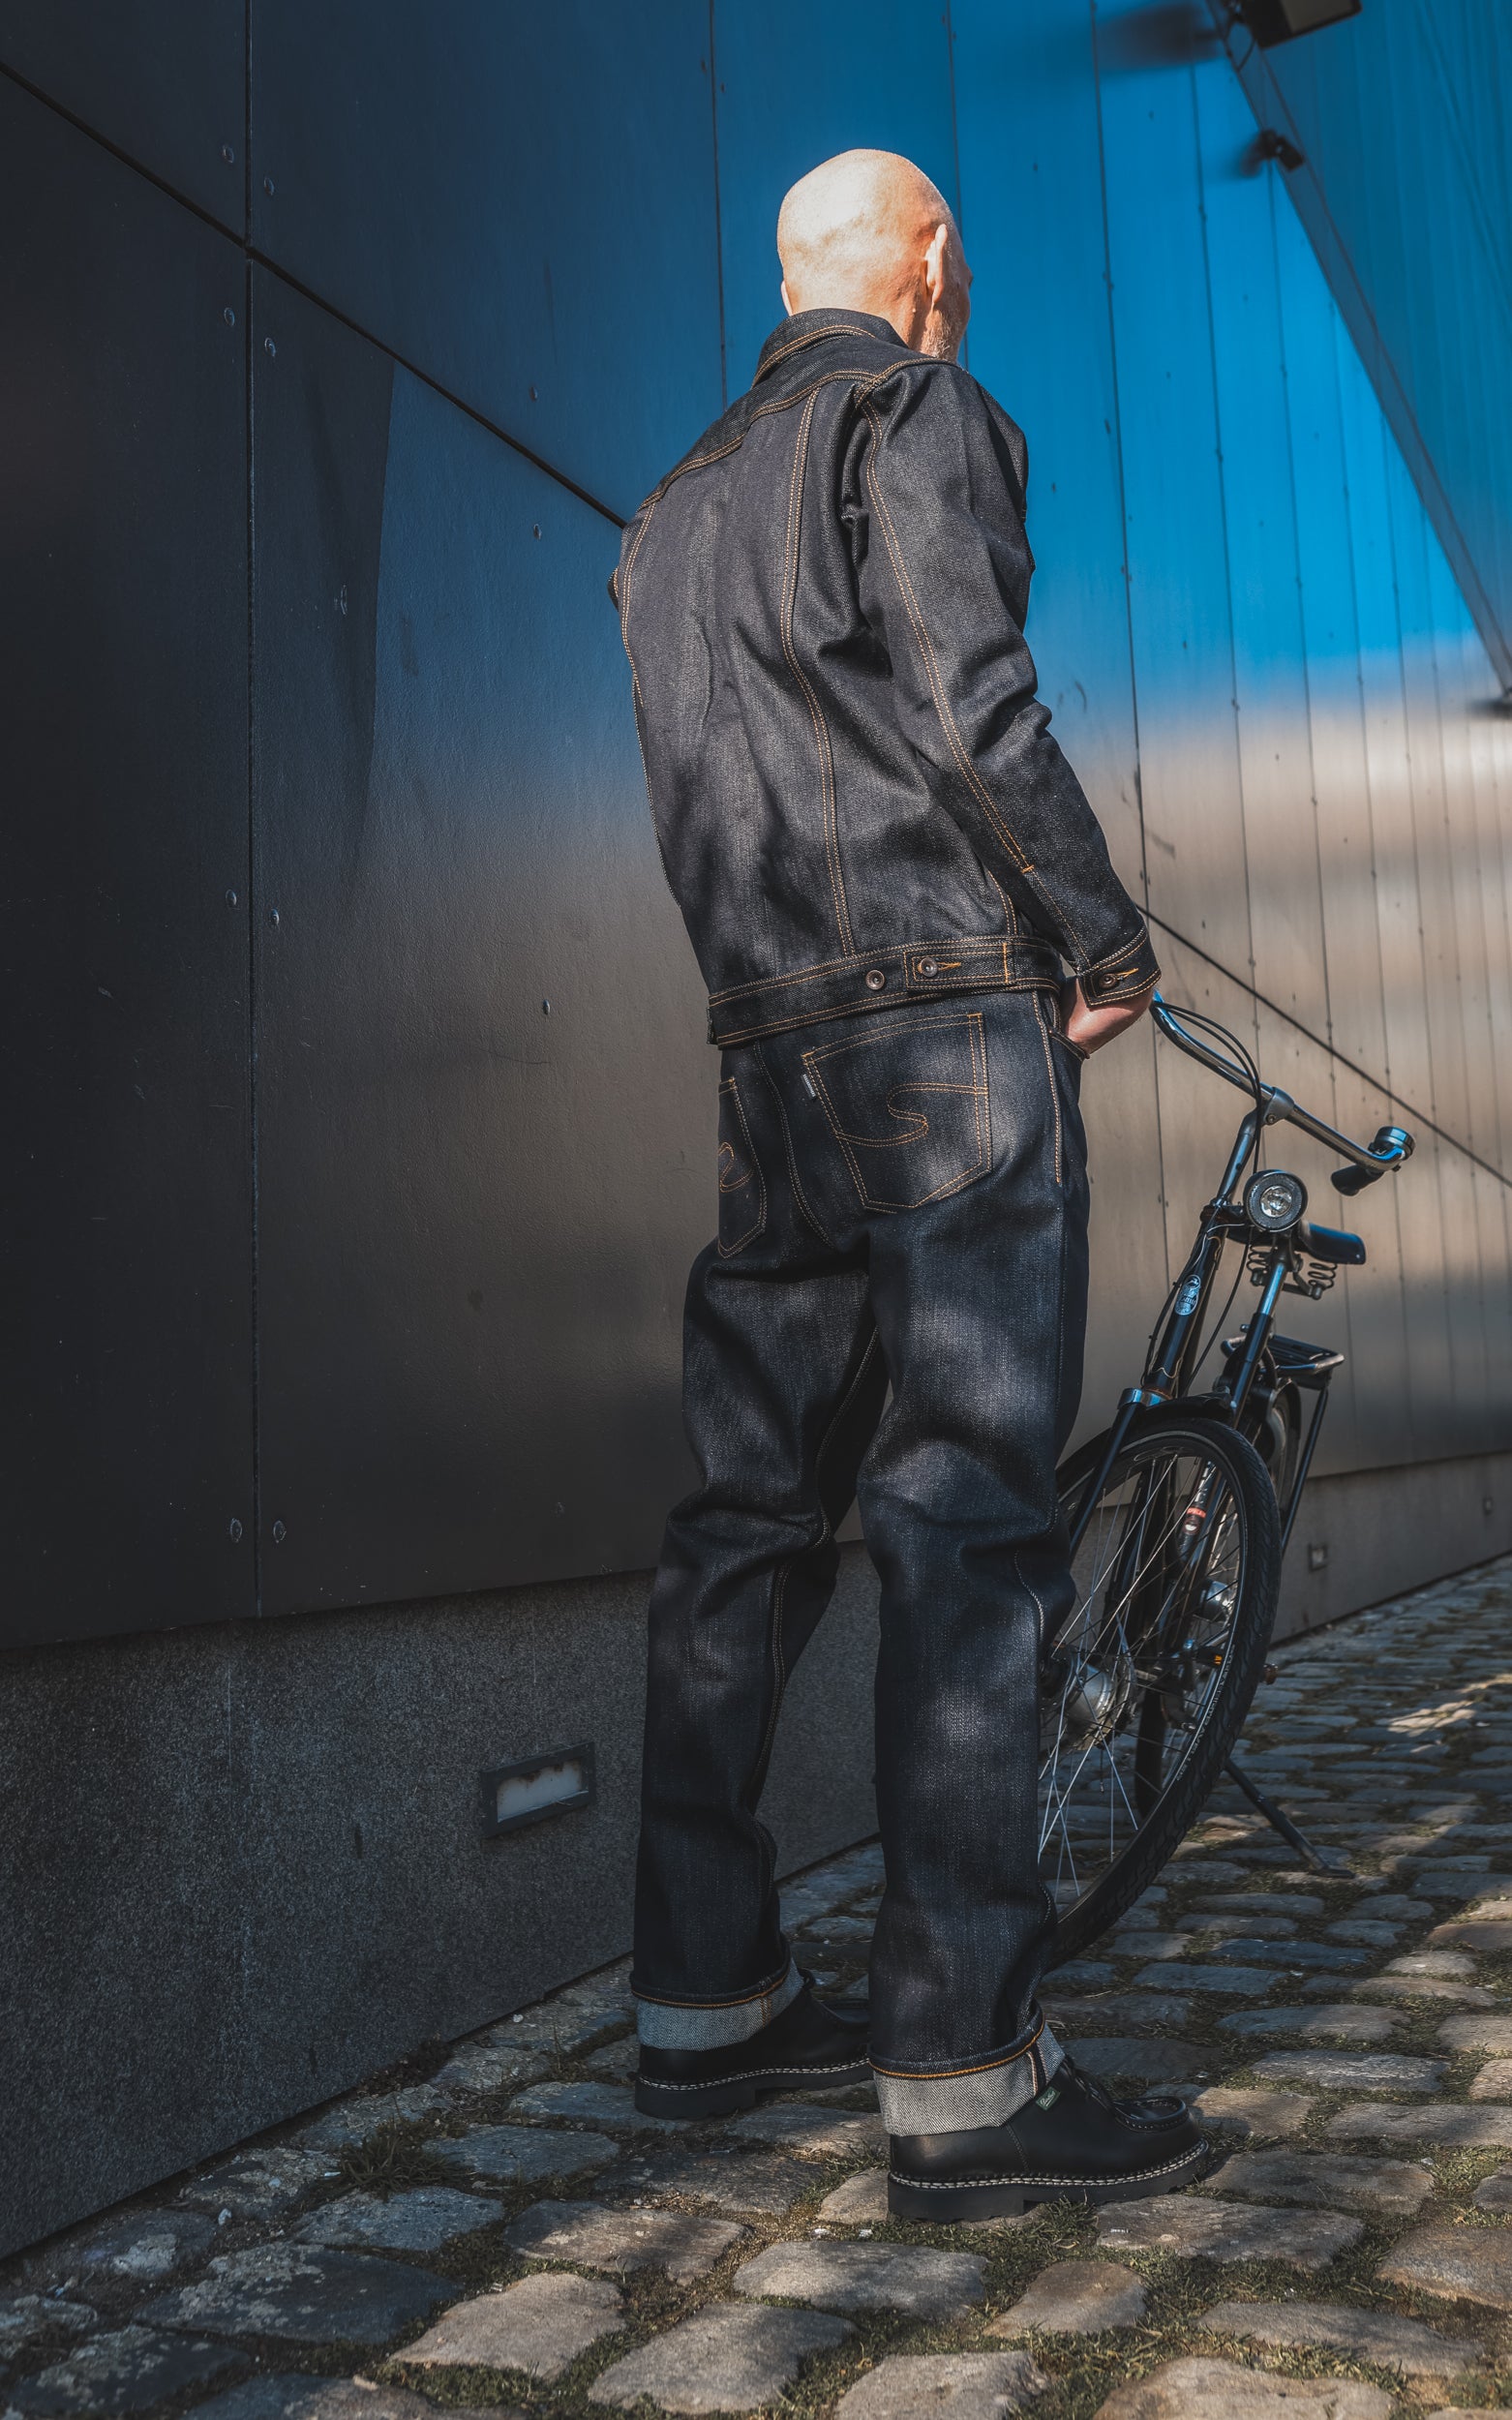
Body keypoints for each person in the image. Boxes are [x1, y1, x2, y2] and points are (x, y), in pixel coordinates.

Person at [611, 148, 1204, 2219]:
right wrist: (1103, 949)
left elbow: (703, 812)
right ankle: (962, 2069)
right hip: (950, 1029)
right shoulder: (918, 412)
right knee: (966, 1514)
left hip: (767, 1057)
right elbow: (977, 699)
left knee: (740, 1522)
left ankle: (698, 2002)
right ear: (930, 257)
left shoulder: (669, 513)